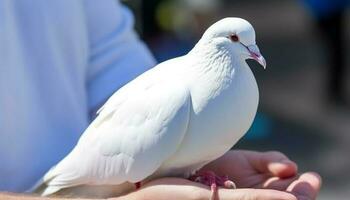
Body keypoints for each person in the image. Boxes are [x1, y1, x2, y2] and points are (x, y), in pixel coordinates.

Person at [0, 0, 321, 199]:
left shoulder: (189, 83)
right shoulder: (174, 98)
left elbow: (113, 57)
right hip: (68, 181)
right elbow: (154, 109)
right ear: (223, 41)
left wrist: (194, 162)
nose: (253, 51)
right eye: (239, 41)